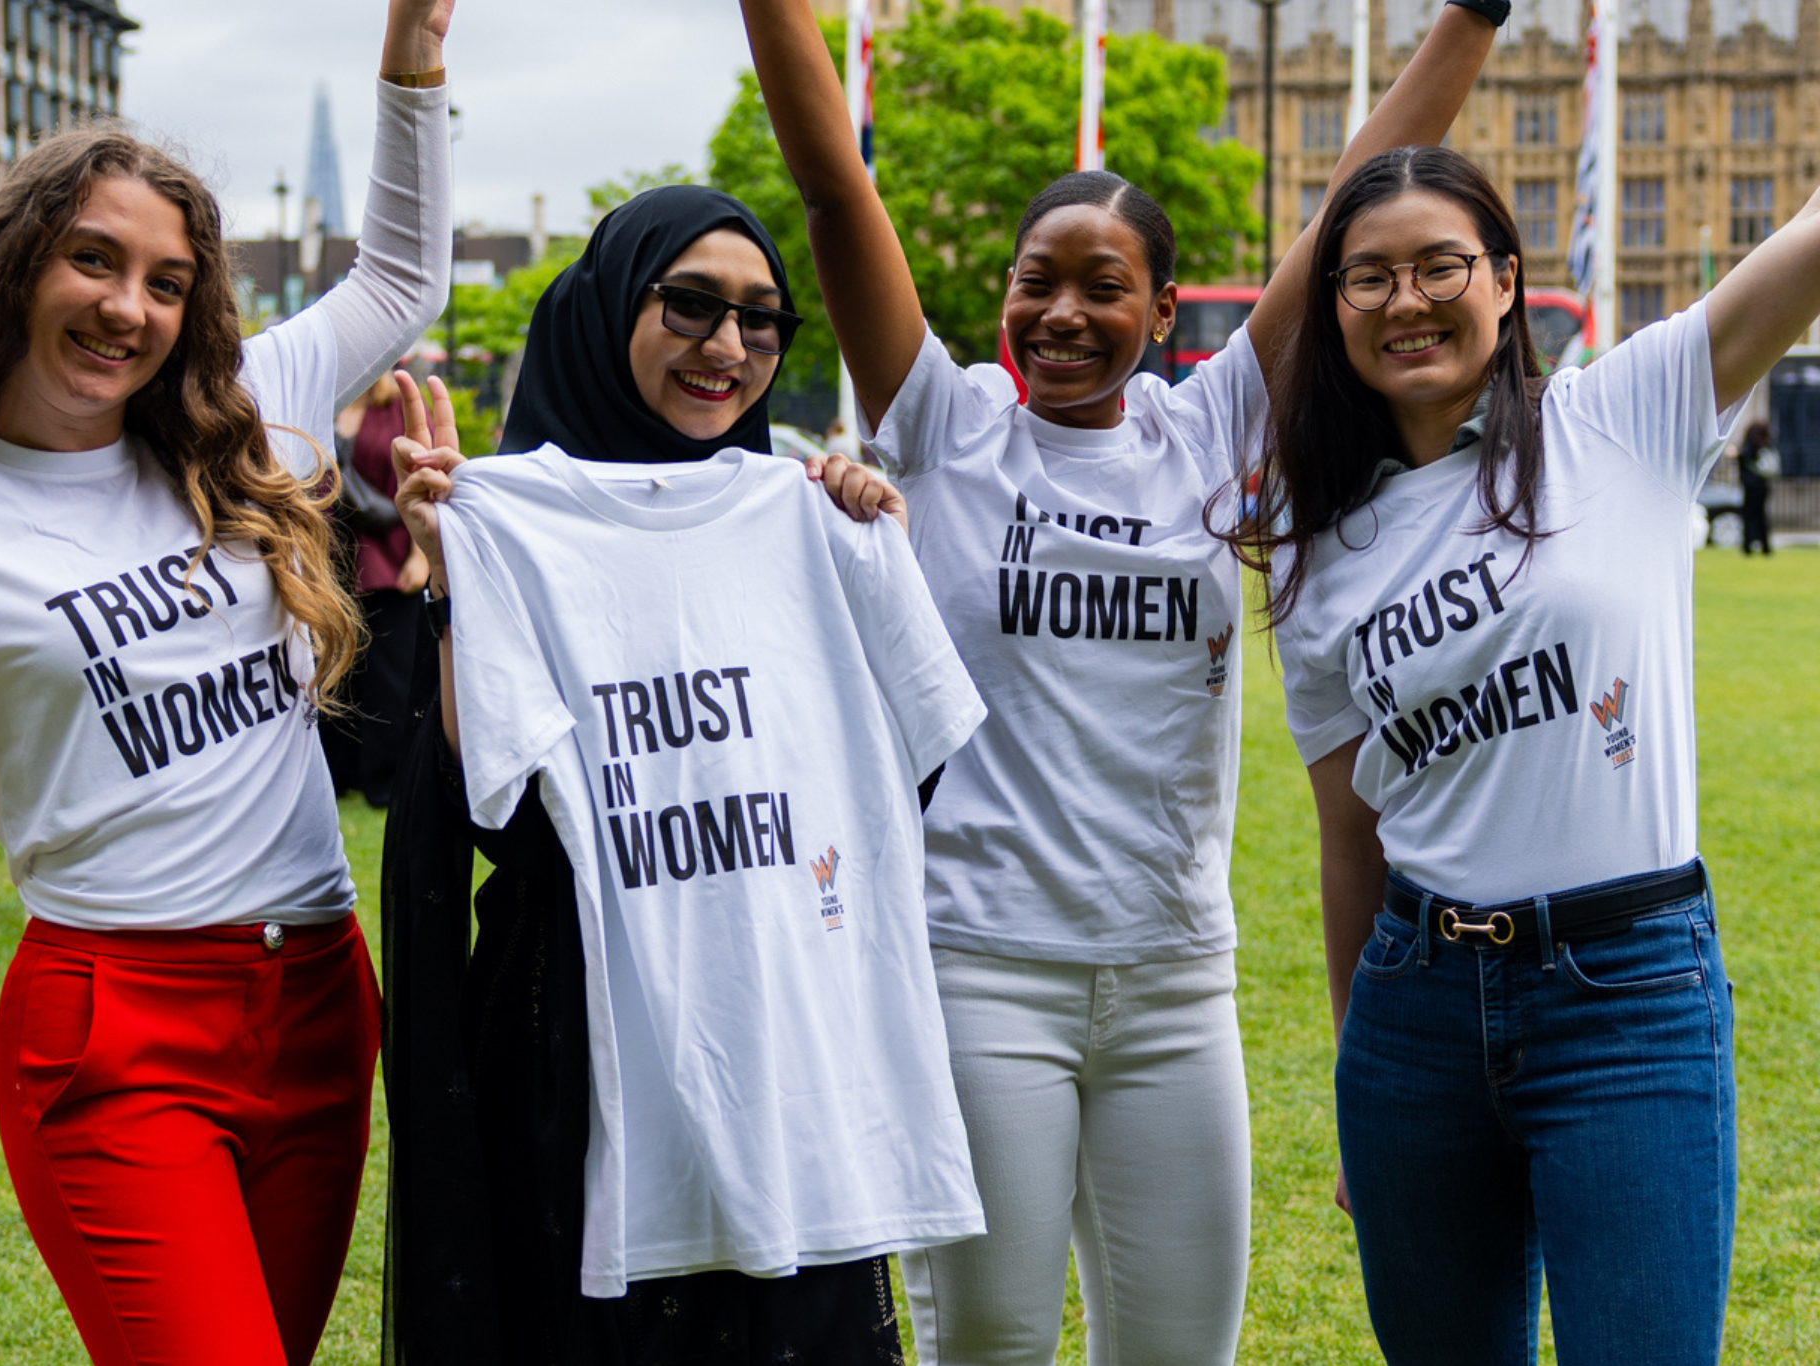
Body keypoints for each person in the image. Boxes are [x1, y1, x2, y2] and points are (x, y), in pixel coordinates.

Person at [734, 1, 1501, 1361]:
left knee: (1177, 1348)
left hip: (1171, 984)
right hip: (980, 972)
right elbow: (831, 178)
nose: (1063, 313)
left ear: (1164, 306)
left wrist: (1474, 16)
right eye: (1040, 279)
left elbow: (1348, 202)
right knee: (992, 1336)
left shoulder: (1212, 424)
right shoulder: (947, 422)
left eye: (1104, 286)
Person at [0, 0, 454, 1360]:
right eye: (94, 259)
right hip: (115, 1027)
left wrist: (414, 52)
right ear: (22, 264)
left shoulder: (244, 414)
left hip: (319, 998)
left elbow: (398, 280)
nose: (126, 307)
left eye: (164, 280)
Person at [383, 184, 982, 1366]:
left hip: (784, 1034)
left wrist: (871, 553)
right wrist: (455, 576)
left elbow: (896, 782)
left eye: (761, 321)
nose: (728, 348)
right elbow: (483, 811)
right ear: (610, 311)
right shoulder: (509, 521)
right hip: (576, 1033)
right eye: (692, 306)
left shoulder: (813, 516)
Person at [1243, 142, 1820, 1364]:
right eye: (1365, 276)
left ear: (1505, 280)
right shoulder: (1315, 547)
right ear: (1329, 306)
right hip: (1413, 1015)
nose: (1405, 299)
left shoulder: (1623, 410)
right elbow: (1348, 833)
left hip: (1627, 994)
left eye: (1438, 264)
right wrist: (1357, 1079)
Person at [322, 368, 428, 807]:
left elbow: (426, 481)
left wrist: (422, 554)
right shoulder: (322, 403)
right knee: (333, 677)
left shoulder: (395, 407)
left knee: (390, 676)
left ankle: (388, 781)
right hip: (327, 562)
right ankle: (338, 775)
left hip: (387, 558)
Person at [1737, 418, 1777, 554]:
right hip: (1763, 486)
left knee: (1749, 516)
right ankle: (1765, 546)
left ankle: (1748, 545)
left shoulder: (1749, 446)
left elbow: (1743, 461)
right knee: (1761, 515)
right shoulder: (1767, 445)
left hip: (1750, 486)